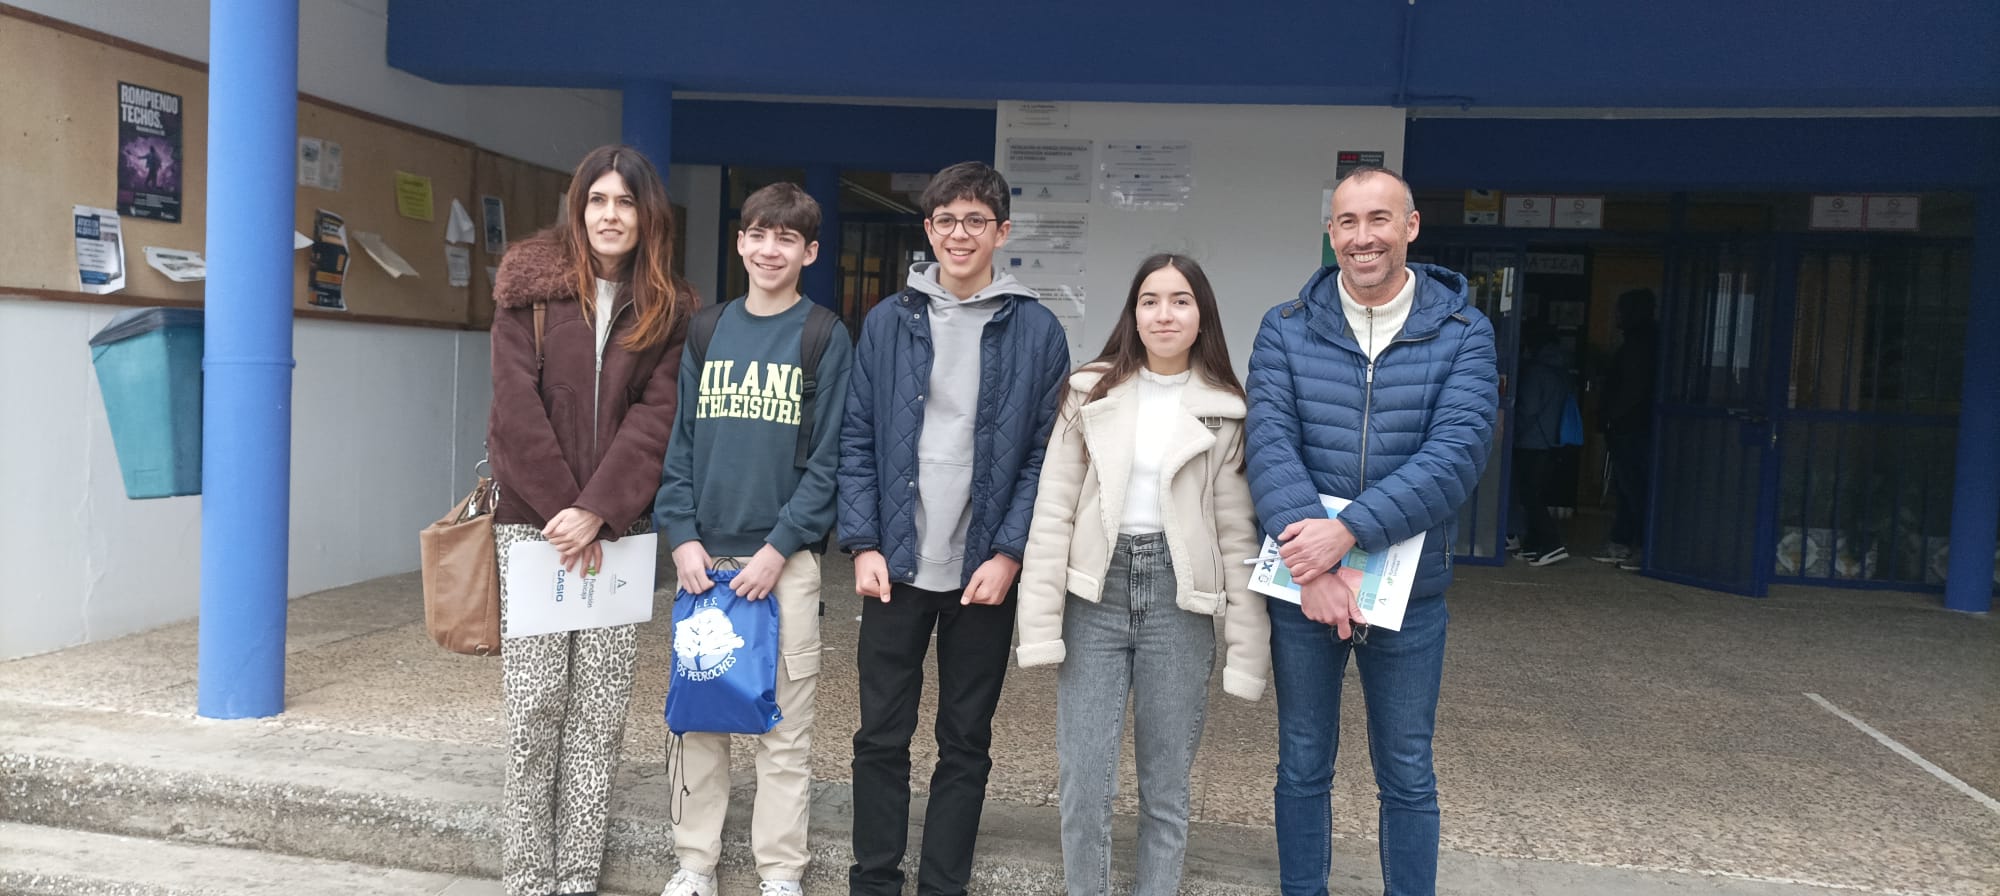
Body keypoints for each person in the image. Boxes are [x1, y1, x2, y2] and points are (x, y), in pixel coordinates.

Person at [1245, 165, 1498, 896]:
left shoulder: (1463, 332)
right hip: (1305, 589)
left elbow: (1455, 455)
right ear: (1331, 234)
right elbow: (1269, 445)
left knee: (1408, 771)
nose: (1364, 237)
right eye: (1348, 222)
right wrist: (1316, 566)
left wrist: (1346, 532)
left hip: (1409, 594)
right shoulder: (1286, 326)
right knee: (1302, 763)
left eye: (1379, 219)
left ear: (1410, 227)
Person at [838, 161, 1071, 896]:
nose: (959, 234)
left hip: (982, 571)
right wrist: (864, 542)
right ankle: (874, 880)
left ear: (1003, 232)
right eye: (946, 220)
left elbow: (1046, 455)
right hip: (895, 564)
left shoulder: (1037, 329)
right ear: (929, 230)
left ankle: (944, 885)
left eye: (975, 221)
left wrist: (1009, 553)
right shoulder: (889, 320)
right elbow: (857, 436)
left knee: (965, 741)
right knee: (880, 736)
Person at [1015, 254, 1268, 896]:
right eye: (1150, 300)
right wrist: (1039, 623)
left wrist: (1247, 648)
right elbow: (1053, 511)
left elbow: (1237, 533)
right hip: (1094, 591)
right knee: (1084, 780)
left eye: (1181, 301)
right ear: (1133, 313)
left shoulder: (1226, 410)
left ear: (1202, 314)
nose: (1164, 314)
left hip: (1179, 600)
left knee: (1166, 788)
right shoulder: (1088, 392)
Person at [488, 144, 695, 896]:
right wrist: (563, 510)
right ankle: (527, 876)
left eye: (626, 202)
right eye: (598, 200)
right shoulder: (529, 289)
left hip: (620, 533)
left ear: (647, 216)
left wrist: (599, 510)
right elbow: (514, 407)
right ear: (578, 209)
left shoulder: (669, 307)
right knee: (535, 707)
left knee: (600, 715)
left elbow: (658, 418)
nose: (611, 215)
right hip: (533, 528)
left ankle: (576, 874)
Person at [652, 182, 852, 896]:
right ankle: (694, 865)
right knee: (698, 723)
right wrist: (681, 537)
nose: (771, 250)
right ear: (740, 242)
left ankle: (781, 874)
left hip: (783, 565)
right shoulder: (706, 331)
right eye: (759, 234)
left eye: (787, 238)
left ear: (810, 252)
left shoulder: (823, 335)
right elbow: (679, 444)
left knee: (783, 731)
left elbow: (829, 461)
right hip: (703, 560)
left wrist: (779, 547)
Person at [1593, 288, 1657, 571]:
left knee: (1635, 490)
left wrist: (1611, 418)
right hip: (1633, 426)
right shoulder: (1644, 342)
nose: (1616, 315)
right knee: (1628, 489)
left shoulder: (1639, 345)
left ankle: (1640, 548)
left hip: (1631, 428)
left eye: (1620, 310)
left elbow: (1633, 389)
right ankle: (1623, 542)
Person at [1512, 324, 1573, 566]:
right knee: (1535, 493)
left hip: (1532, 441)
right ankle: (1533, 545)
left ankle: (1552, 544)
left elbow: (1528, 409)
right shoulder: (1560, 369)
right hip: (1550, 440)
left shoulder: (1536, 372)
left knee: (1529, 496)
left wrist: (1513, 432)